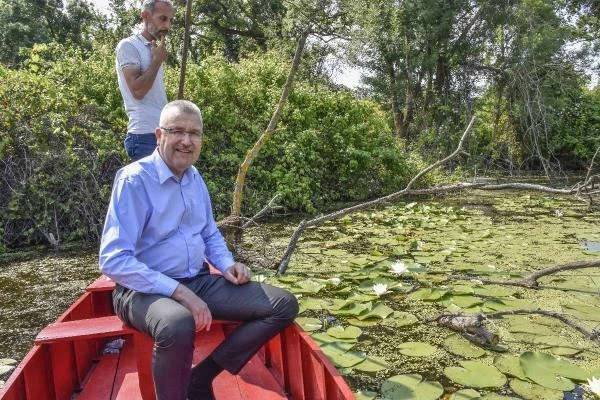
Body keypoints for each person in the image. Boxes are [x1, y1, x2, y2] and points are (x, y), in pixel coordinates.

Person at [99, 100, 299, 400]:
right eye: (177, 131)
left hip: (196, 279)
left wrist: (227, 263)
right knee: (177, 324)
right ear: (158, 135)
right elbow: (113, 260)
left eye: (195, 133)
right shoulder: (134, 180)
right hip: (141, 291)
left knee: (283, 305)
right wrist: (180, 293)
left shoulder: (195, 179)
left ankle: (200, 379)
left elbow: (208, 232)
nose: (186, 141)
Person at [116, 0, 174, 161]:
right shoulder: (128, 46)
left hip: (161, 133)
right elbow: (138, 91)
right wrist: (156, 61)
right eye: (163, 19)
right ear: (145, 16)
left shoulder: (154, 48)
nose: (167, 26)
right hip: (143, 137)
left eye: (171, 20)